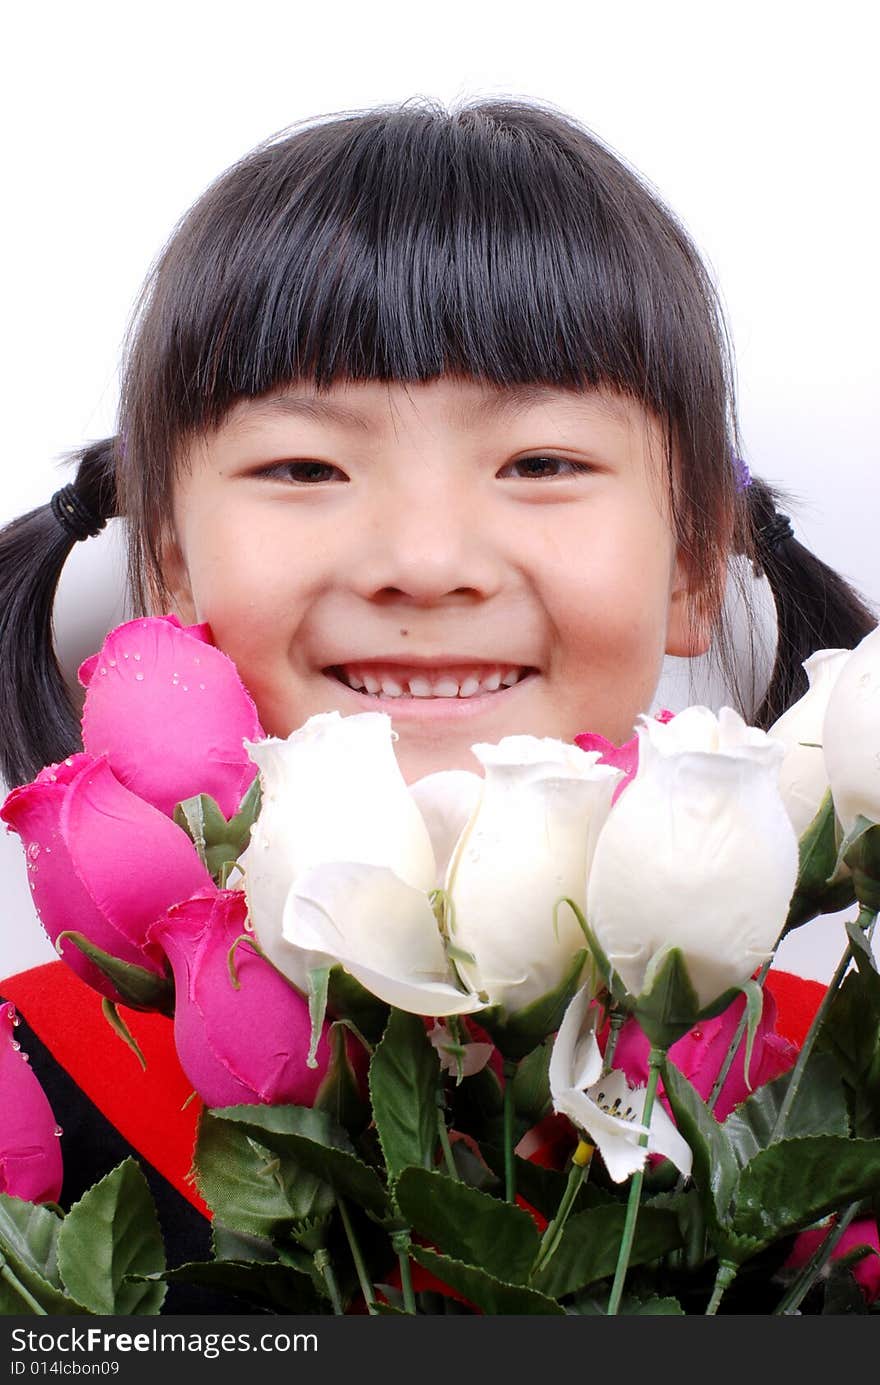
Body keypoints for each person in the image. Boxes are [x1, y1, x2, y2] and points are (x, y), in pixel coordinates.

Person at [0, 97, 876, 1310]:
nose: (424, 559)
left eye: (541, 464)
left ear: (689, 564)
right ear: (170, 573)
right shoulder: (31, 1089)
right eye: (303, 466)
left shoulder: (826, 1097)